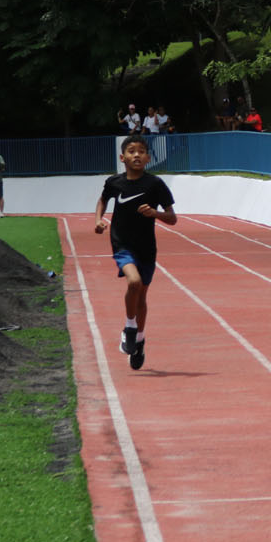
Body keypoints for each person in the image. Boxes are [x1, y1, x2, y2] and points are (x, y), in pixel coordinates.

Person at [93, 134, 179, 371]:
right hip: (122, 244)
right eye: (131, 151)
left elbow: (172, 218)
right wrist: (98, 219)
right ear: (122, 157)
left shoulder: (155, 185)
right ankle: (129, 327)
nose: (137, 155)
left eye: (141, 151)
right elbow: (102, 201)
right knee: (134, 282)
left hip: (146, 248)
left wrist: (155, 213)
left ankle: (139, 340)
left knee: (141, 297)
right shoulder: (114, 183)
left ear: (148, 158)